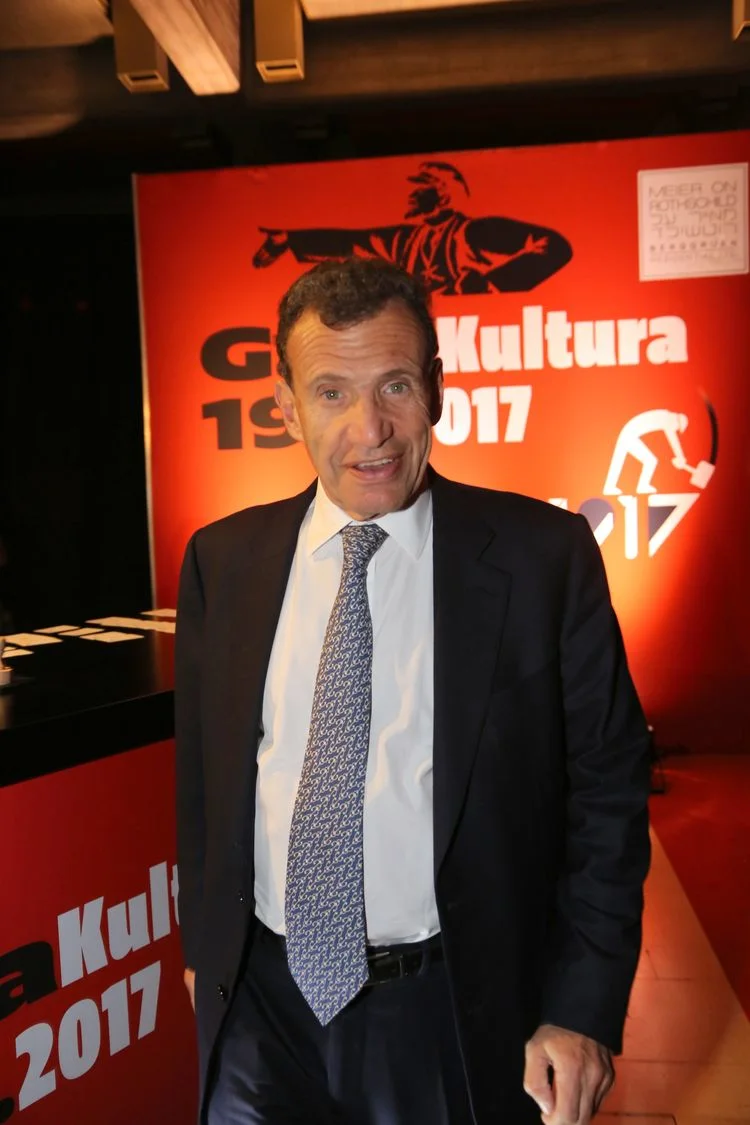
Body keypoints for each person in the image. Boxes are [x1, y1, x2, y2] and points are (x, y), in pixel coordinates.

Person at [175, 258, 651, 1125]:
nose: (372, 430)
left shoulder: (542, 559)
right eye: (331, 392)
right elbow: (206, 786)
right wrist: (206, 950)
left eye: (395, 384)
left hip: (447, 1015)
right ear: (284, 405)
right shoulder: (223, 560)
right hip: (259, 1015)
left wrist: (580, 1007)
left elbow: (608, 798)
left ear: (435, 386)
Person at [252, 160, 573, 296]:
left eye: (419, 187)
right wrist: (290, 239)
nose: (409, 194)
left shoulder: (474, 233)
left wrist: (492, 285)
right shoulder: (405, 239)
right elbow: (352, 243)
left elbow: (552, 246)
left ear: (441, 194)